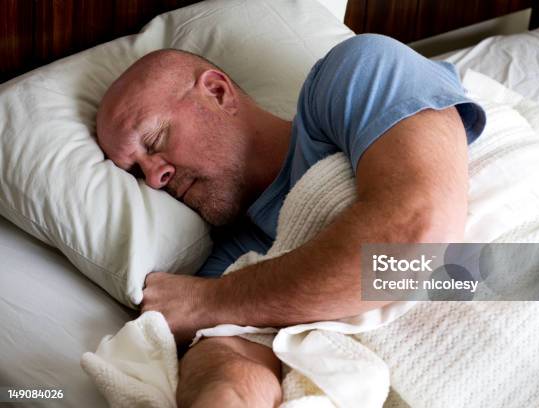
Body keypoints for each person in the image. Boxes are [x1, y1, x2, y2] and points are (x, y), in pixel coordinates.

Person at [96, 34, 485, 407]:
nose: (153, 177)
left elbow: (417, 238)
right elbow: (235, 365)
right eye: (135, 172)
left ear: (217, 92)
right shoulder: (229, 263)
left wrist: (211, 301)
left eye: (155, 141)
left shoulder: (352, 75)